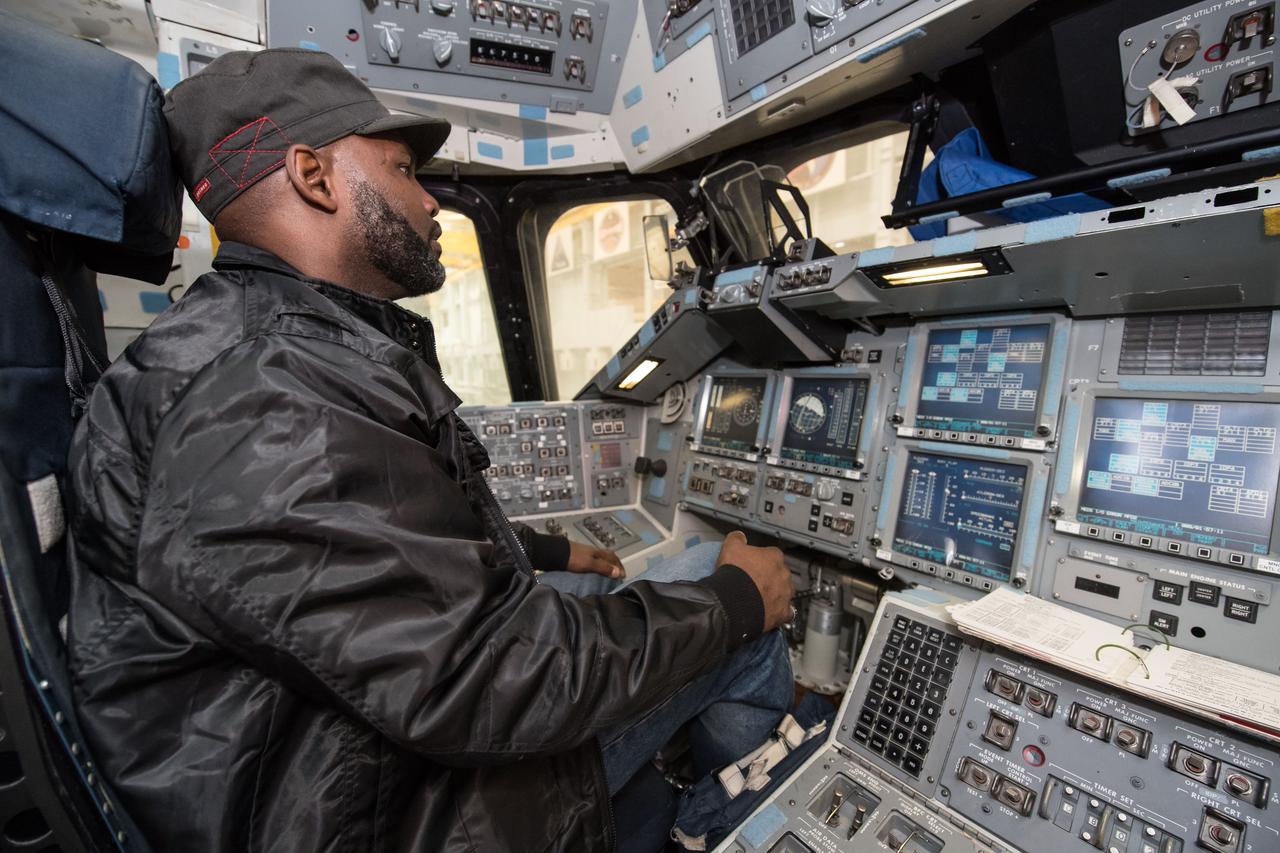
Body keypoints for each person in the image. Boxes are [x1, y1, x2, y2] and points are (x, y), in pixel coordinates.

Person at [66, 48, 795, 852]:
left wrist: (552, 549)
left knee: (662, 591)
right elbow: (491, 677)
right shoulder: (266, 399)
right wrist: (736, 602)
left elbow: (372, 565)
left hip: (333, 764)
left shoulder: (254, 355)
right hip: (397, 816)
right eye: (406, 170)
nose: (431, 203)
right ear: (314, 176)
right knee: (732, 588)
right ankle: (714, 828)